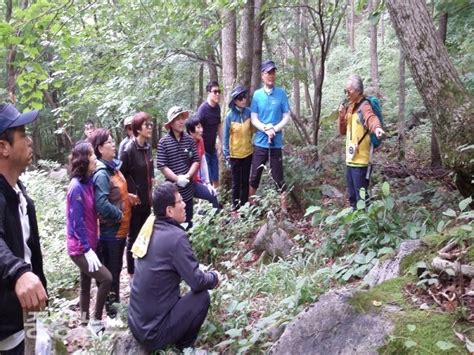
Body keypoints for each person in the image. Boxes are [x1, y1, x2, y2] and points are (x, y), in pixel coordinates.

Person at [128, 182, 219, 352]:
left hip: (136, 323)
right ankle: (184, 347)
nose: (185, 204)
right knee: (201, 297)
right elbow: (197, 282)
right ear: (169, 210)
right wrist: (214, 277)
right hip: (153, 333)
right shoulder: (176, 237)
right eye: (180, 201)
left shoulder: (149, 227)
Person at [0, 103, 48, 354]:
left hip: (24, 314)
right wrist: (17, 272)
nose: (29, 141)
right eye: (22, 134)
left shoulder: (18, 191)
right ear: (3, 147)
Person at [66, 142, 112, 334]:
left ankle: (84, 324)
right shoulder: (76, 187)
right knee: (107, 279)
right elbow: (76, 223)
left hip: (89, 244)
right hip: (79, 248)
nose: (95, 158)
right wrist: (86, 249)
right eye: (92, 154)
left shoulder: (88, 182)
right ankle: (96, 321)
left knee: (85, 285)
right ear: (84, 160)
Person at [90, 128, 135, 318]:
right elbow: (101, 203)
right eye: (109, 142)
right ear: (100, 148)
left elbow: (114, 193)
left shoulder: (112, 167)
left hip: (119, 231)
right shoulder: (101, 173)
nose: (113, 144)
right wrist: (119, 214)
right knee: (112, 273)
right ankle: (112, 313)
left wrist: (127, 197)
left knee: (115, 270)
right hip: (110, 233)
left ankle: (113, 308)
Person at [337, 74, 385, 208]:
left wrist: (377, 129)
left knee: (362, 199)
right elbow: (342, 132)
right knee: (352, 198)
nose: (346, 94)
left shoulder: (364, 106)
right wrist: (341, 117)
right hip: (350, 160)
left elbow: (371, 118)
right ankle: (356, 225)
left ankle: (367, 226)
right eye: (345, 91)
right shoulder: (351, 107)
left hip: (361, 162)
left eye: (349, 90)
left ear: (358, 91)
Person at [249, 60, 291, 208]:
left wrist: (275, 129)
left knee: (278, 178)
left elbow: (286, 115)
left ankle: (284, 211)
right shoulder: (257, 95)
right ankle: (251, 207)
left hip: (276, 143)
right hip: (260, 142)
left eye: (273, 73)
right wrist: (265, 128)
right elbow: (254, 117)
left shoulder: (281, 94)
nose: (271, 76)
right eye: (268, 73)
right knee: (255, 176)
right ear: (262, 75)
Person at [120, 112, 154, 277]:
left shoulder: (147, 148)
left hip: (147, 199)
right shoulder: (128, 150)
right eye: (147, 125)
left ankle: (144, 270)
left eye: (150, 125)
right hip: (134, 201)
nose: (150, 128)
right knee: (133, 236)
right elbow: (120, 176)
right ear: (137, 129)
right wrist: (129, 194)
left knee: (146, 234)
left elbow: (150, 173)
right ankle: (132, 274)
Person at [156, 106, 199, 229]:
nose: (181, 122)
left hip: (188, 190)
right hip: (172, 193)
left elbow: (196, 160)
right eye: (177, 119)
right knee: (174, 225)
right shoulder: (163, 142)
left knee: (188, 221)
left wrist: (187, 176)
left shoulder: (189, 140)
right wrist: (177, 179)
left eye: (182, 118)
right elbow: (162, 166)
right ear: (171, 123)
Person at [223, 84, 253, 212]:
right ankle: (235, 208)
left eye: (244, 97)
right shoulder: (229, 116)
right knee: (236, 183)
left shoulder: (249, 113)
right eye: (240, 98)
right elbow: (225, 136)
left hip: (248, 153)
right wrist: (227, 154)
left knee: (245, 182)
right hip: (234, 155)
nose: (243, 100)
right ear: (235, 100)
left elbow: (254, 130)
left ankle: (245, 208)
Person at [185, 115, 220, 210]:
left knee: (212, 194)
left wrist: (207, 182)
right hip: (183, 184)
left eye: (201, 127)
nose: (201, 130)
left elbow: (203, 161)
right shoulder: (184, 143)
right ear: (191, 130)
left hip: (194, 182)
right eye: (198, 127)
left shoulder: (200, 140)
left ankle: (217, 220)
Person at [196, 80, 222, 188]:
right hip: (203, 149)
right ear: (209, 92)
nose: (217, 94)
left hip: (212, 148)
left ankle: (216, 199)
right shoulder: (202, 110)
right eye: (215, 91)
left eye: (219, 91)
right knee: (207, 177)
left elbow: (219, 125)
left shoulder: (217, 108)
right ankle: (208, 201)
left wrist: (222, 142)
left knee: (215, 176)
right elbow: (196, 128)